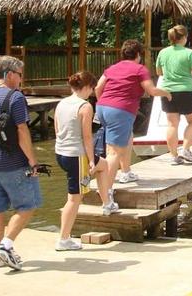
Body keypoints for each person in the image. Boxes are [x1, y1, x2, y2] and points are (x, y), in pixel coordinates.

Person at [54, 71, 117, 251]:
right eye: (92, 89)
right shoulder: (85, 106)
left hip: (61, 153)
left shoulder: (61, 103)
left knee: (103, 165)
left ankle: (107, 203)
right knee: (74, 199)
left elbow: (58, 129)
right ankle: (64, 239)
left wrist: (94, 161)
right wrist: (90, 160)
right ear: (88, 87)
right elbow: (87, 137)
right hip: (77, 156)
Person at [95, 40, 171, 188]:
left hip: (102, 107)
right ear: (138, 54)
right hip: (120, 111)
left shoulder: (112, 68)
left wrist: (103, 103)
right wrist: (167, 93)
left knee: (128, 137)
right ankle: (106, 191)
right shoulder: (139, 69)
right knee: (113, 152)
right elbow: (151, 91)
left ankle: (125, 172)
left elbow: (98, 87)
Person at [0, 56, 41, 270]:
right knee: (28, 205)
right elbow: (22, 130)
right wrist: (32, 160)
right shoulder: (15, 98)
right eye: (20, 75)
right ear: (9, 74)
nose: (22, 79)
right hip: (13, 162)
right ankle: (5, 245)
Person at [156, 25, 192, 164]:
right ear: (184, 38)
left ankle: (173, 156)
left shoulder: (163, 53)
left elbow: (159, 72)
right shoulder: (189, 53)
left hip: (167, 91)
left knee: (172, 125)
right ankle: (186, 150)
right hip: (186, 91)